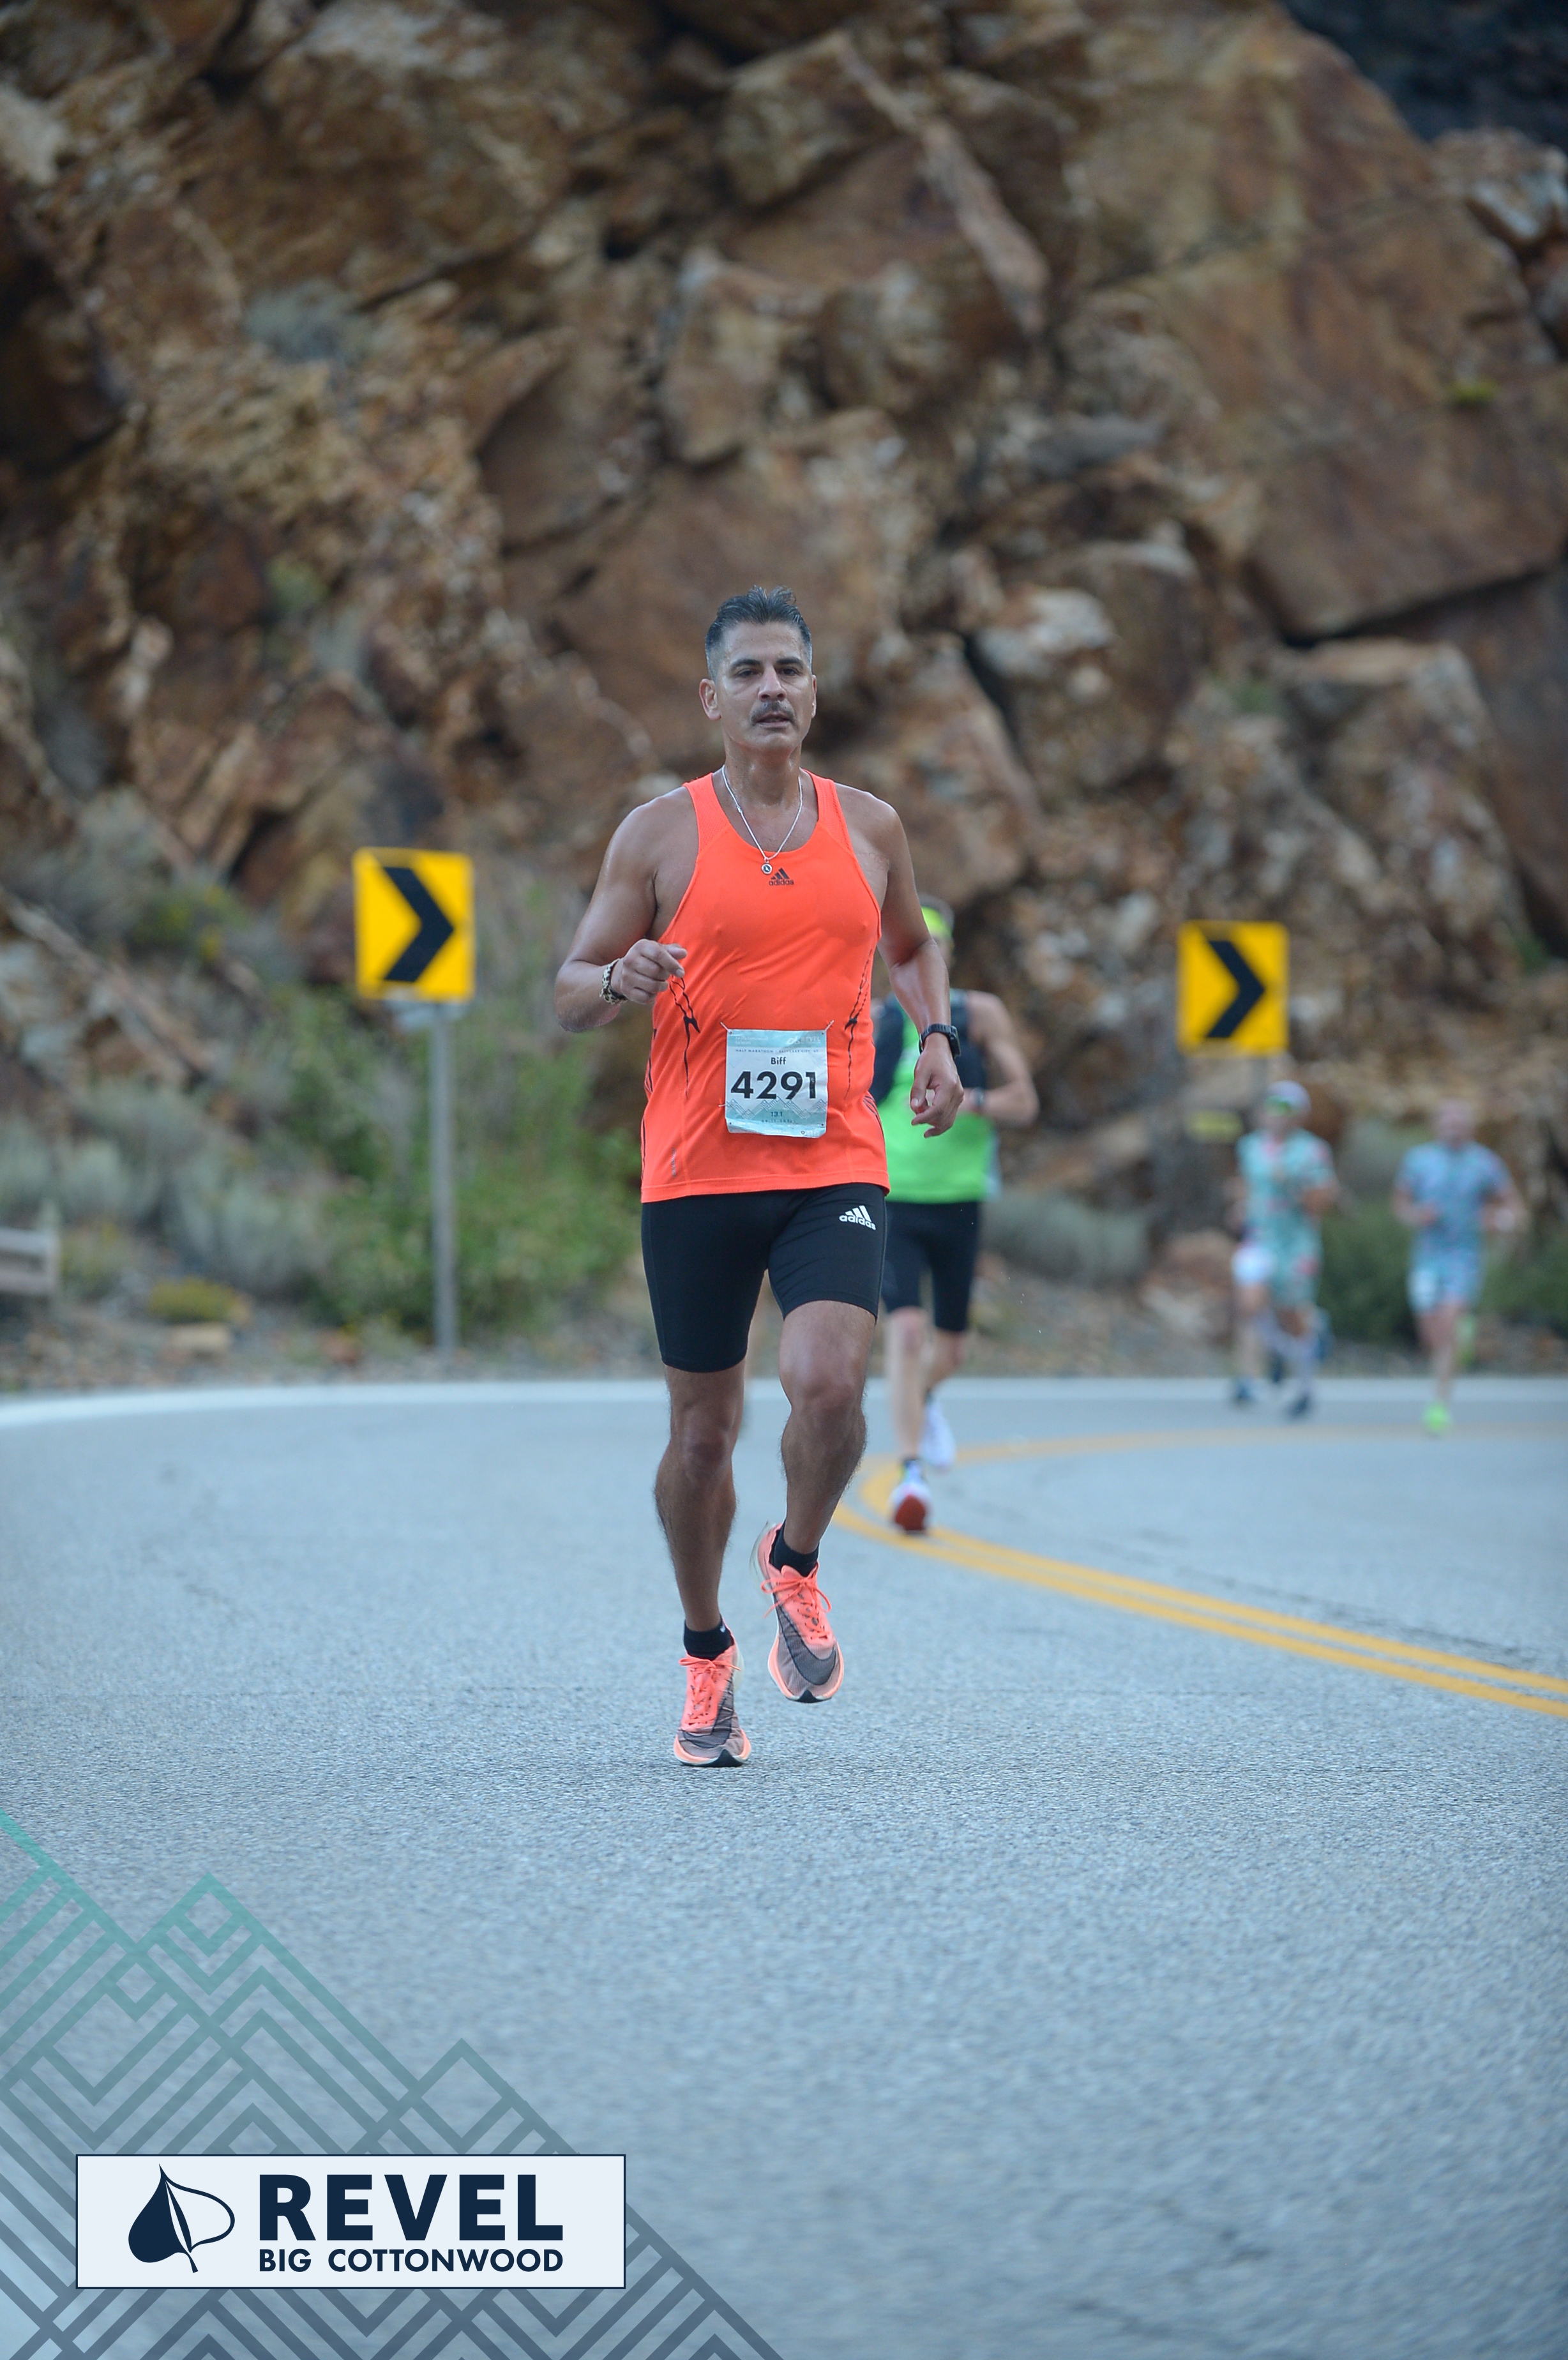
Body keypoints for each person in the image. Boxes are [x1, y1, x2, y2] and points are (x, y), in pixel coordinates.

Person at [554, 585, 963, 1767]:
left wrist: (937, 1038)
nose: (771, 688)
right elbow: (570, 990)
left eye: (789, 669)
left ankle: (795, 1560)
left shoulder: (870, 828)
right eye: (748, 672)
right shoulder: (659, 835)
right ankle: (705, 1652)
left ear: (815, 693)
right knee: (702, 1438)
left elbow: (912, 946)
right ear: (712, 698)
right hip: (695, 1171)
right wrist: (618, 977)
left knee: (829, 1386)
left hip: (833, 1158)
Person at [871, 898, 1038, 1532]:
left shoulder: (978, 1015)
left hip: (960, 1201)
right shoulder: (876, 1020)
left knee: (953, 1348)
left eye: (929, 948)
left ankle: (923, 1398)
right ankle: (909, 1475)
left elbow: (1025, 1102)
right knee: (906, 1332)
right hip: (893, 1198)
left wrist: (974, 1103)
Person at [1392, 1099, 1521, 1433]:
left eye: (1460, 1124)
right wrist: (1417, 1215)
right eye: (1448, 1123)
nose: (1454, 1130)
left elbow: (1513, 1209)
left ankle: (1439, 1405)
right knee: (1431, 1333)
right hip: (1427, 1257)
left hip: (1464, 1257)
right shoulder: (1419, 1160)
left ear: (1471, 1128)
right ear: (1437, 1126)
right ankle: (1460, 1338)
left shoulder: (1485, 1163)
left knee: (1448, 1322)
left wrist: (1497, 1220)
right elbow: (1401, 1204)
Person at [1227, 1078, 1339, 1418]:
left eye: (1287, 1110)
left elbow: (1322, 1200)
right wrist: (1239, 1206)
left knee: (1292, 1314)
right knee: (1249, 1304)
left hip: (1296, 1242)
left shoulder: (1312, 1152)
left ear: (1300, 1116)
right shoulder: (1250, 1147)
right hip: (1259, 1238)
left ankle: (1303, 1383)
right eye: (1273, 1108)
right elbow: (1246, 1185)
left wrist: (1292, 1185)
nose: (1278, 1116)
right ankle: (1249, 1378)